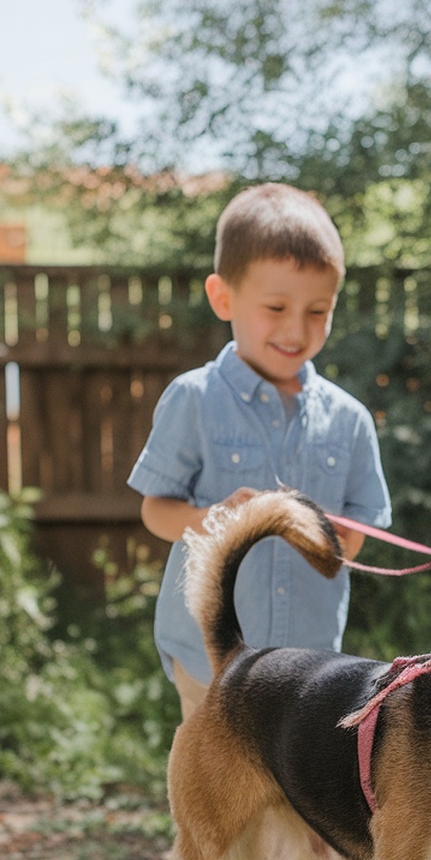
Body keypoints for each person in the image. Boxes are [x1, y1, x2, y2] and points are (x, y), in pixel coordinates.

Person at [128, 182, 391, 722]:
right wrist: (215, 519)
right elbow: (156, 510)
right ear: (223, 297)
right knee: (215, 802)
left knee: (296, 802)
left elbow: (358, 532)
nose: (297, 329)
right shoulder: (194, 399)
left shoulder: (349, 419)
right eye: (275, 307)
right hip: (207, 661)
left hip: (309, 669)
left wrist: (336, 541)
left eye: (319, 311)